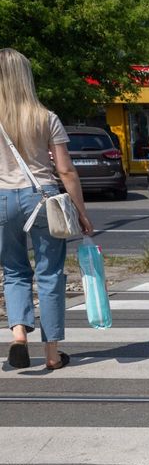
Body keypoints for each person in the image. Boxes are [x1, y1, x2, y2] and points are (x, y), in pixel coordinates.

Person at [0, 48, 95, 371]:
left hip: (2, 200)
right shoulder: (45, 117)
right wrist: (81, 212)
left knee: (13, 271)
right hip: (43, 200)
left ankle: (18, 335)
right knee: (50, 273)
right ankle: (52, 353)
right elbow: (66, 170)